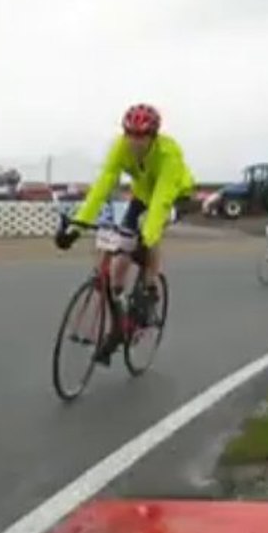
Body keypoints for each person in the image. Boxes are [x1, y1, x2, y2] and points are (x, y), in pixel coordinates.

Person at [55, 104, 195, 364]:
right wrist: (77, 226)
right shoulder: (120, 147)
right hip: (142, 196)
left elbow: (162, 200)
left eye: (141, 136)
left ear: (153, 136)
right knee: (119, 254)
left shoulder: (169, 154)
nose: (135, 141)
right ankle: (117, 324)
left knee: (148, 233)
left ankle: (150, 288)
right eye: (130, 134)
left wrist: (148, 235)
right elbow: (102, 185)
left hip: (175, 194)